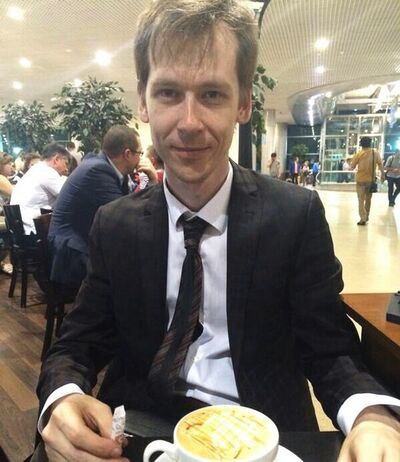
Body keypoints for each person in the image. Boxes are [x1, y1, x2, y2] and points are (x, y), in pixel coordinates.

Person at [35, 2, 400, 462]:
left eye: (211, 94)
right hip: (140, 432)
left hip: (265, 436)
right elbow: (78, 342)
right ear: (143, 102)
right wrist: (63, 397)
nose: (189, 123)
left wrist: (372, 417)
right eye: (168, 93)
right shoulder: (115, 223)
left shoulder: (294, 216)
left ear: (243, 103)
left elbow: (331, 351)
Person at [48, 125, 156, 289]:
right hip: (72, 253)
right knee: (132, 274)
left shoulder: (101, 165)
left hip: (79, 242)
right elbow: (127, 216)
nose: (141, 159)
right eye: (140, 154)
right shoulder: (98, 170)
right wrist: (153, 181)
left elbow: (128, 204)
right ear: (128, 154)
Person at [10, 143, 69, 234]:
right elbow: (69, 197)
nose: (66, 169)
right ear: (56, 159)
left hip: (22, 229)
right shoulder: (47, 172)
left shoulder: (36, 169)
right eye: (66, 163)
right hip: (35, 230)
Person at [351, 137, 385, 226]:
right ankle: (366, 216)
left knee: (361, 200)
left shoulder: (358, 154)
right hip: (371, 180)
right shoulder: (375, 153)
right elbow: (380, 164)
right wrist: (383, 175)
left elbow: (352, 167)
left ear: (361, 144)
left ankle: (363, 218)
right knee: (368, 200)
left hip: (360, 180)